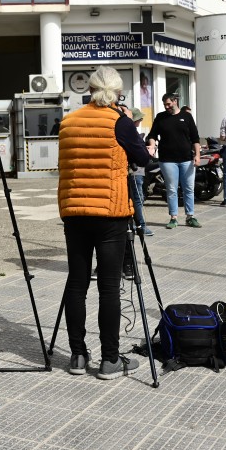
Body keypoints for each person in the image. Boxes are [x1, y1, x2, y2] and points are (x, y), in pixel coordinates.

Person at [58, 66, 152, 380]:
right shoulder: (120, 123)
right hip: (110, 214)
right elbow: (142, 160)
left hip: (74, 211)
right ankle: (110, 360)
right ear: (117, 92)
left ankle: (77, 356)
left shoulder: (69, 121)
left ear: (90, 89)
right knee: (109, 289)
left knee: (76, 283)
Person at [146, 93, 202, 229]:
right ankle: (173, 217)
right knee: (171, 189)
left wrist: (197, 155)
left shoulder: (187, 117)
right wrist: (152, 146)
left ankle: (190, 216)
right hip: (167, 160)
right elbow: (152, 135)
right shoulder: (161, 117)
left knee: (188, 188)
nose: (167, 107)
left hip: (186, 159)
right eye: (165, 104)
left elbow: (195, 138)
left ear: (175, 101)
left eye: (169, 104)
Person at [127, 107, 154, 238]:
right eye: (139, 118)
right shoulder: (131, 133)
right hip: (135, 170)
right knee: (138, 198)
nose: (141, 120)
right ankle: (141, 226)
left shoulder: (131, 132)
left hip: (137, 170)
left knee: (137, 198)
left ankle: (135, 224)